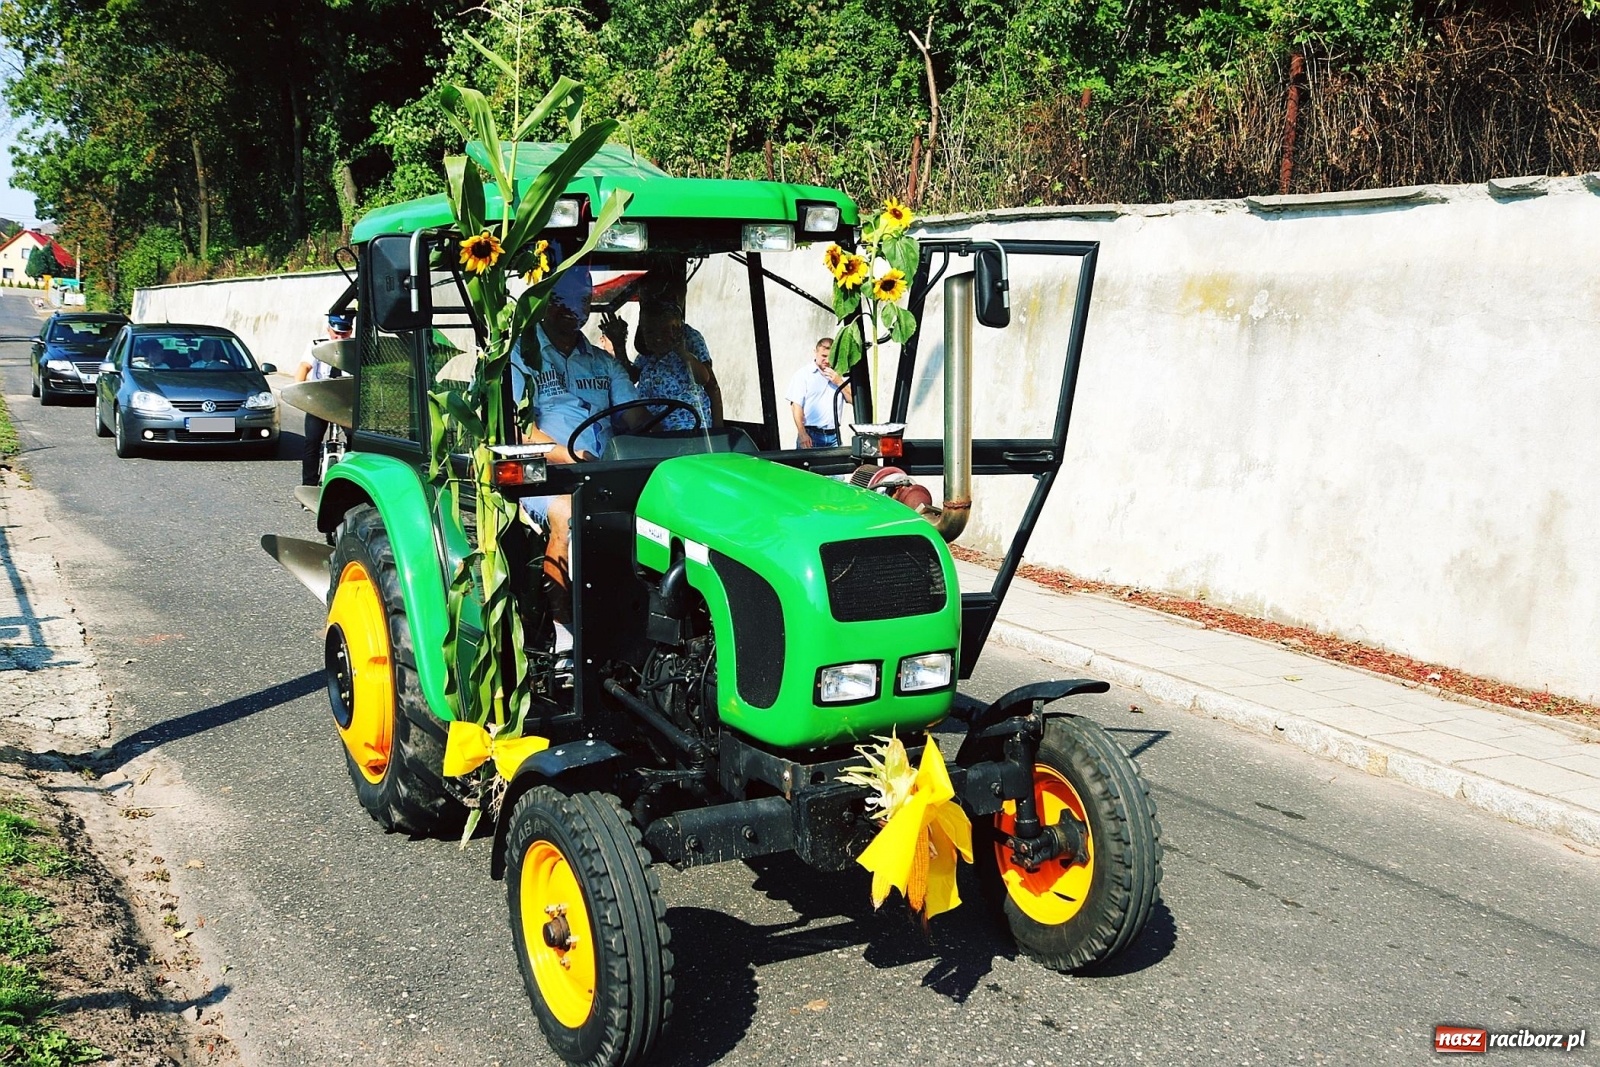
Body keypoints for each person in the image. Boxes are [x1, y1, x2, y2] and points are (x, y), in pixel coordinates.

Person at [509, 267, 645, 663]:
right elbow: (522, 432)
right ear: (546, 303)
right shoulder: (522, 357)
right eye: (565, 304)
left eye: (581, 304)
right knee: (571, 516)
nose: (574, 312)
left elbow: (636, 418)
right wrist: (569, 458)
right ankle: (565, 634)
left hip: (605, 471)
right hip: (545, 476)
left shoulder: (602, 364)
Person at [603, 296, 719, 433]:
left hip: (688, 433)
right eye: (649, 332)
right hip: (653, 432)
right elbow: (630, 378)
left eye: (664, 331)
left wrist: (682, 351)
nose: (657, 338)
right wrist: (619, 345)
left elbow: (704, 379)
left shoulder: (686, 351)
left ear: (677, 331)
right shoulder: (648, 358)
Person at [295, 312, 353, 486]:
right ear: (329, 329)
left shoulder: (356, 346)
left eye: (344, 333)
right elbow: (304, 366)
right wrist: (300, 389)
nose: (339, 336)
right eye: (336, 332)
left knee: (356, 441)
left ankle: (348, 484)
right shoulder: (317, 344)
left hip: (346, 401)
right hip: (321, 399)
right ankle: (309, 485)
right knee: (311, 441)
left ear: (351, 331)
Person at [786, 336, 851, 448]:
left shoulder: (838, 375)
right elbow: (796, 407)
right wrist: (802, 434)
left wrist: (839, 382)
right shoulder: (803, 375)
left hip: (834, 435)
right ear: (815, 352)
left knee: (837, 465)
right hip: (811, 434)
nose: (827, 361)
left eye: (830, 357)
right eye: (824, 356)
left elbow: (853, 400)